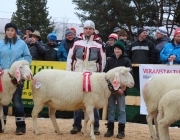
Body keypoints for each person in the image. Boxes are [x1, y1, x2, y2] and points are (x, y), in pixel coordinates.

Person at [66, 20, 106, 135]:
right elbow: (70, 59)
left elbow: (102, 62)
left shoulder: (99, 45)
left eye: (90, 28)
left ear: (93, 30)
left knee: (94, 102)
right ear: (83, 30)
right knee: (78, 101)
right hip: (77, 76)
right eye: (86, 28)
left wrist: (99, 77)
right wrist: (69, 73)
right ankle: (76, 125)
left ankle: (96, 126)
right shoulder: (76, 43)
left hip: (93, 78)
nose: (88, 30)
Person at [0, 23, 32, 135]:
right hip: (3, 77)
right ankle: (1, 125)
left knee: (17, 100)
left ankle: (20, 127)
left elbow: (28, 57)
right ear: (6, 32)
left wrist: (19, 63)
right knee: (3, 101)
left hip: (16, 77)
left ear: (15, 32)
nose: (9, 32)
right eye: (8, 30)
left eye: (12, 30)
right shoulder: (1, 43)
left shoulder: (22, 44)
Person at [104, 40, 132, 139]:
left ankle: (121, 131)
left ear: (122, 50)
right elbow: (106, 75)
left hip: (122, 90)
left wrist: (122, 88)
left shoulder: (126, 60)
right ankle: (110, 129)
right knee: (111, 109)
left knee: (121, 110)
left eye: (118, 49)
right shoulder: (109, 60)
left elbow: (129, 76)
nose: (116, 50)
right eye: (115, 48)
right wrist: (113, 88)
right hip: (111, 90)